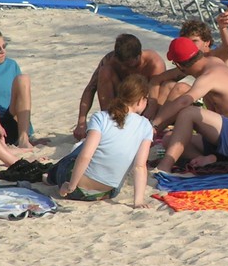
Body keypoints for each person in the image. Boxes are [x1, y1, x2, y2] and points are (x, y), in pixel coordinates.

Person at [50, 74, 152, 207]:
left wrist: (71, 187)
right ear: (140, 100)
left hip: (79, 190)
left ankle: (50, 176)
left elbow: (85, 156)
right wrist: (138, 201)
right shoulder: (145, 126)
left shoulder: (101, 117)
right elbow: (140, 166)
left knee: (80, 150)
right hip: (108, 192)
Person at [151, 37, 228, 171]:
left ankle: (164, 168)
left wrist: (154, 125)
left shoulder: (208, 76)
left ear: (179, 66)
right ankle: (215, 159)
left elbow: (184, 101)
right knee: (169, 140)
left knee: (188, 113)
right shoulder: (213, 61)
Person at [73, 34, 166, 140]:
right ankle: (108, 120)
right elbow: (91, 88)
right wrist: (81, 122)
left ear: (138, 55)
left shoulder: (154, 64)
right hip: (120, 103)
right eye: (121, 64)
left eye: (128, 65)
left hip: (144, 106)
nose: (123, 68)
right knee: (105, 71)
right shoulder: (110, 59)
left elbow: (158, 97)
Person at [150, 10, 228, 105]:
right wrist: (152, 104)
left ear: (207, 42)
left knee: (180, 89)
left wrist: (223, 28)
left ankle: (157, 119)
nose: (189, 45)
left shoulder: (216, 57)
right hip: (213, 105)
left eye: (194, 41)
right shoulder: (192, 61)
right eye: (187, 42)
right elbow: (156, 80)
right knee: (168, 85)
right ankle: (152, 117)